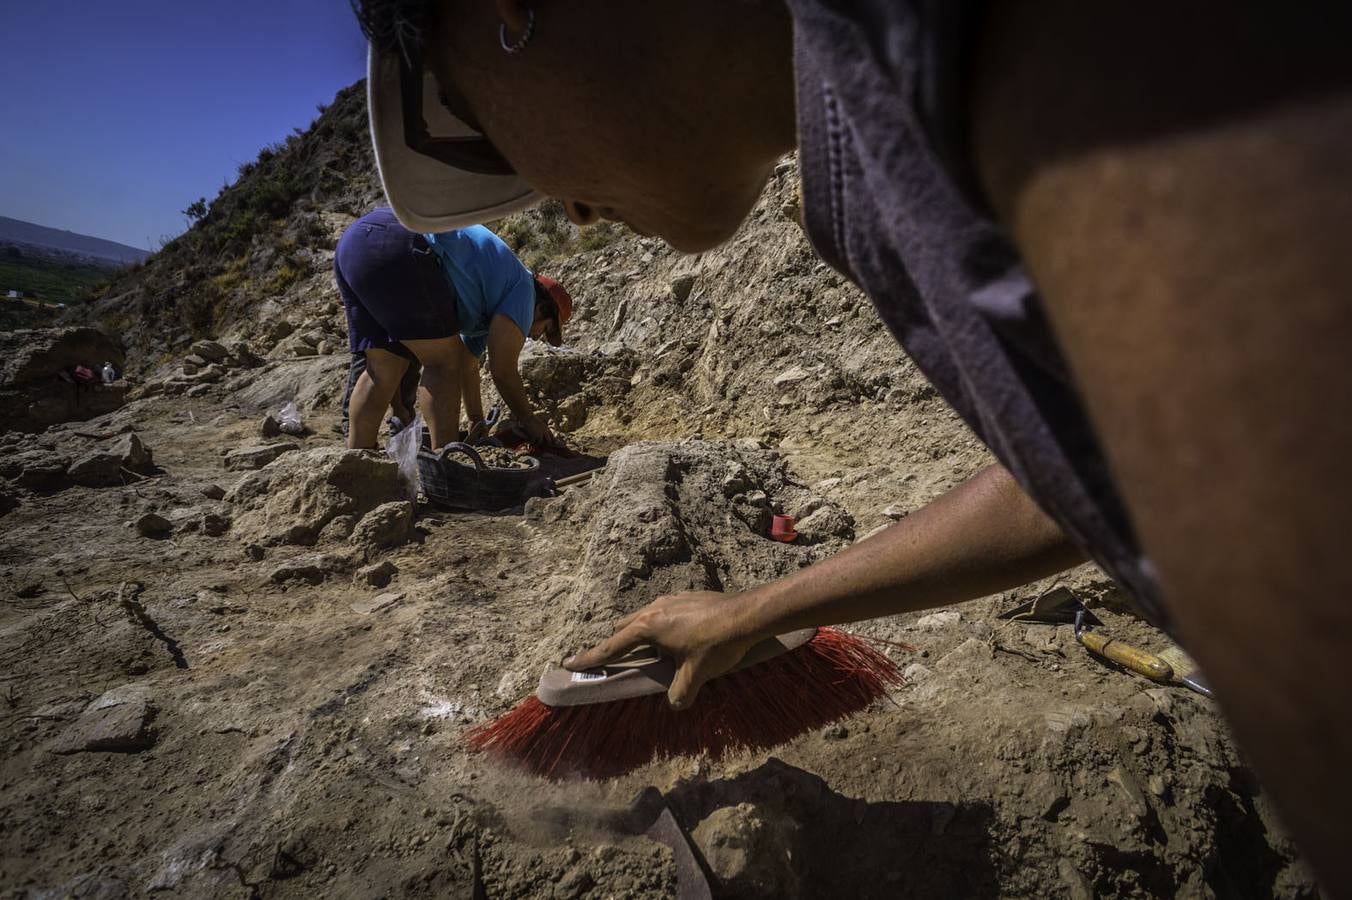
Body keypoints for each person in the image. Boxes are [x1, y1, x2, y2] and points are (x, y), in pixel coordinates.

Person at [351, 0, 1352, 887]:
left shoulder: (954, 43)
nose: (553, 205)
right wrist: (759, 607)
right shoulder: (872, 133)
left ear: (508, 12)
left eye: (485, 135)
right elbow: (1089, 465)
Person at [335, 207, 572, 450]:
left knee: (383, 370)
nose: (536, 336)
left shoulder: (489, 300)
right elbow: (503, 372)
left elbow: (467, 366)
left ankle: (357, 466)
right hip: (403, 240)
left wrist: (476, 421)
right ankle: (447, 465)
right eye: (545, 329)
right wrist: (528, 419)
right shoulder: (524, 290)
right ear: (543, 308)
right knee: (443, 363)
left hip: (356, 243)